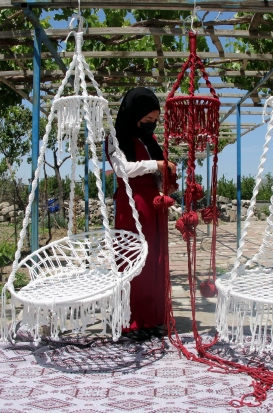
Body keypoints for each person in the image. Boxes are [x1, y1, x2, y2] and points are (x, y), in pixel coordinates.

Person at [107, 87, 176, 341]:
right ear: (134, 115)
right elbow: (122, 169)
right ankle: (132, 321)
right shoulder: (116, 138)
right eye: (147, 119)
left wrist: (165, 179)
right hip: (132, 203)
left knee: (156, 261)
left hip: (154, 206)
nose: (151, 124)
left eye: (155, 120)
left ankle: (155, 318)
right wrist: (155, 164)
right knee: (133, 259)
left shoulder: (151, 141)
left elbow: (155, 172)